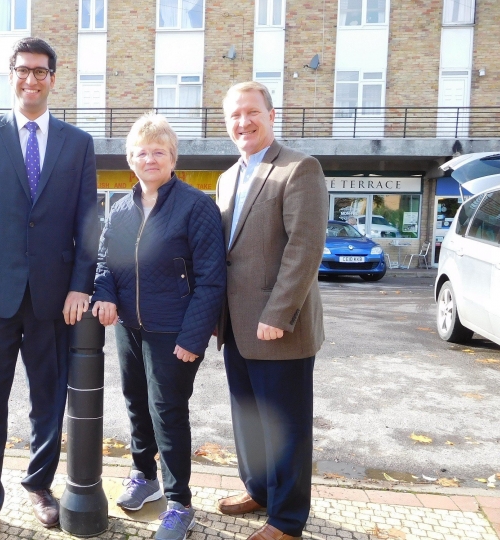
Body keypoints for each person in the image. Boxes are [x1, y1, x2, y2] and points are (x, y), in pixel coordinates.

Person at [0, 37, 98, 540]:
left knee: (48, 400)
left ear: (54, 78)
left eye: (41, 71)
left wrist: (81, 286)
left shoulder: (77, 144)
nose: (31, 79)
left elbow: (88, 223)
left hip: (54, 298)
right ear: (10, 75)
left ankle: (38, 483)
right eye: (23, 70)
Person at [91, 114, 225, 540]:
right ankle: (143, 475)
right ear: (131, 159)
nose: (150, 158)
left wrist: (193, 337)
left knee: (167, 411)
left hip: (174, 331)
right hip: (129, 327)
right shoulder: (122, 208)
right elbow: (105, 262)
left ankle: (180, 503)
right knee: (135, 401)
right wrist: (106, 294)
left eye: (158, 151)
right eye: (142, 152)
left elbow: (212, 278)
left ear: (173, 158)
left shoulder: (196, 205)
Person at [214, 81, 327, 540]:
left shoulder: (299, 169)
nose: (243, 122)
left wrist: (278, 314)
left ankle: (286, 519)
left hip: (279, 327)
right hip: (235, 326)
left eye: (251, 112)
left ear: (271, 115)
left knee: (286, 425)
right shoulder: (226, 178)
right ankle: (259, 490)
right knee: (248, 418)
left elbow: (305, 248)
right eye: (234, 116)